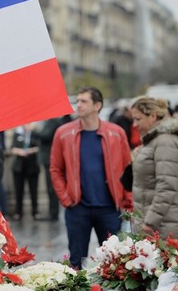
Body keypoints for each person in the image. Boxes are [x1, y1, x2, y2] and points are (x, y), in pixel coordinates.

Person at [50, 86, 132, 268]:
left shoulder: (116, 133)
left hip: (110, 208)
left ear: (97, 106)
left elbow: (128, 169)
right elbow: (55, 169)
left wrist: (128, 200)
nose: (78, 105)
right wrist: (65, 198)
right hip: (77, 208)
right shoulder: (63, 133)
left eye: (83, 101)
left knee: (114, 263)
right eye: (77, 101)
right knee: (76, 262)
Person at [130, 97, 178, 241]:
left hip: (162, 223)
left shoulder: (166, 142)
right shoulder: (155, 140)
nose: (135, 124)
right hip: (156, 220)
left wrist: (150, 222)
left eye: (138, 119)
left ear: (153, 116)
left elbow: (166, 186)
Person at [34, 115, 72, 221]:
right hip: (48, 159)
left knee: (51, 188)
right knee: (50, 187)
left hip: (49, 159)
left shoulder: (53, 121)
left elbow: (46, 135)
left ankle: (53, 213)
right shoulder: (52, 121)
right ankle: (52, 211)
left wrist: (34, 131)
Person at [11, 123, 40, 221]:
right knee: (19, 190)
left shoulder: (35, 134)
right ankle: (18, 211)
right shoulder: (17, 134)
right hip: (19, 167)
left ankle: (35, 211)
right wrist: (20, 151)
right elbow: (12, 148)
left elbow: (39, 146)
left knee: (33, 190)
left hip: (32, 166)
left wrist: (30, 150)